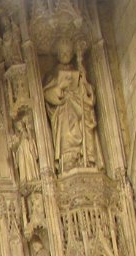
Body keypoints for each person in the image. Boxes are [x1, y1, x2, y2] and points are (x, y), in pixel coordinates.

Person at [43, 42, 101, 174]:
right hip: (63, 111)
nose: (65, 55)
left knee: (83, 125)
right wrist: (60, 86)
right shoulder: (52, 74)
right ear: (58, 54)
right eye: (63, 52)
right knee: (67, 132)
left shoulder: (78, 71)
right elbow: (47, 94)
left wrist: (81, 78)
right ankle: (68, 160)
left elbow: (87, 94)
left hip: (78, 107)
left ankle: (84, 158)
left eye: (68, 52)